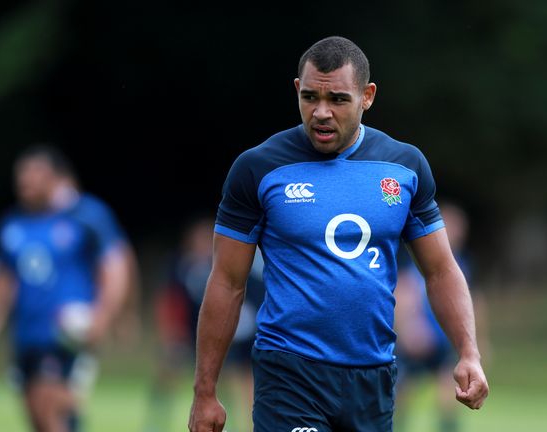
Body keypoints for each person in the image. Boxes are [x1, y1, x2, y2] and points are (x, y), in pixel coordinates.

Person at [188, 36, 488, 432]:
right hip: (289, 373)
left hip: (373, 376)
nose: (321, 113)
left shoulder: (404, 167)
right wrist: (205, 391)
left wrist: (469, 352)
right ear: (297, 90)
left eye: (339, 100)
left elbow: (441, 270)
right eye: (310, 97)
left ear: (367, 96)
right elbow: (227, 282)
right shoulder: (258, 169)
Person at [0, 145, 135, 432]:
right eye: (21, 176)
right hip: (26, 334)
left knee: (51, 411)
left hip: (66, 332)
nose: (26, 182)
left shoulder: (86, 215)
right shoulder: (13, 224)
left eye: (35, 175)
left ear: (56, 177)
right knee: (38, 417)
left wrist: (105, 315)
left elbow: (117, 266)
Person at [146, 217, 264, 432]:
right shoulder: (182, 267)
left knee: (239, 378)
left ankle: (247, 425)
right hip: (193, 333)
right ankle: (154, 423)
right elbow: (170, 300)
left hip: (228, 334)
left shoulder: (228, 267)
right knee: (169, 372)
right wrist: (172, 334)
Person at [394, 202, 488, 431]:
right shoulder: (416, 257)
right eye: (451, 226)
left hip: (445, 341)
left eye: (459, 228)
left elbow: (475, 302)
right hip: (418, 340)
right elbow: (404, 293)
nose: (456, 232)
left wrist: (478, 343)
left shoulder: (465, 263)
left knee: (450, 395)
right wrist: (409, 328)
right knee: (401, 396)